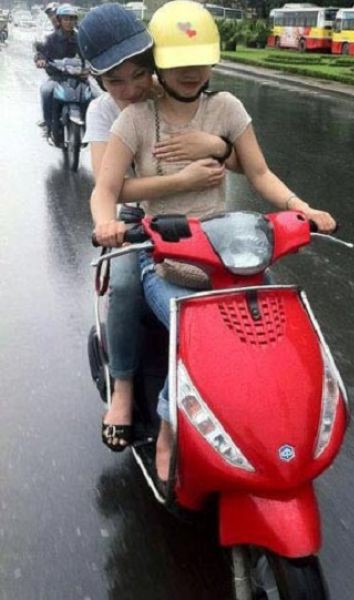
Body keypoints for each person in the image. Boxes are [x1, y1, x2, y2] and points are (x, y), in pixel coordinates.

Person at [91, 0, 336, 486]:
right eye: (178, 61)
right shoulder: (132, 118)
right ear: (161, 61)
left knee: (272, 329)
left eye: (200, 59)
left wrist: (301, 208)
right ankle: (165, 426)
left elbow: (259, 173)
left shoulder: (227, 108)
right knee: (192, 334)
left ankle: (275, 421)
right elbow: (106, 188)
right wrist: (105, 223)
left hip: (225, 247)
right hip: (164, 255)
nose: (190, 71)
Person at [79, 3, 240, 453]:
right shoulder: (104, 114)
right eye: (115, 81)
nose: (131, 89)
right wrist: (110, 222)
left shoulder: (178, 89)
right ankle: (124, 390)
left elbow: (242, 158)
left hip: (202, 218)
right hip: (136, 220)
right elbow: (110, 187)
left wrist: (217, 145)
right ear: (98, 81)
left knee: (246, 282)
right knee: (126, 283)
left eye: (139, 74)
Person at [35, 4, 80, 136]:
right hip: (57, 78)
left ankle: (92, 131)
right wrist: (40, 59)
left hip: (79, 78)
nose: (69, 22)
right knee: (46, 91)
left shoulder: (81, 38)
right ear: (59, 20)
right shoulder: (51, 38)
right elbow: (42, 52)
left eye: (72, 18)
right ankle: (49, 125)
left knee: (95, 96)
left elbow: (90, 53)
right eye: (66, 19)